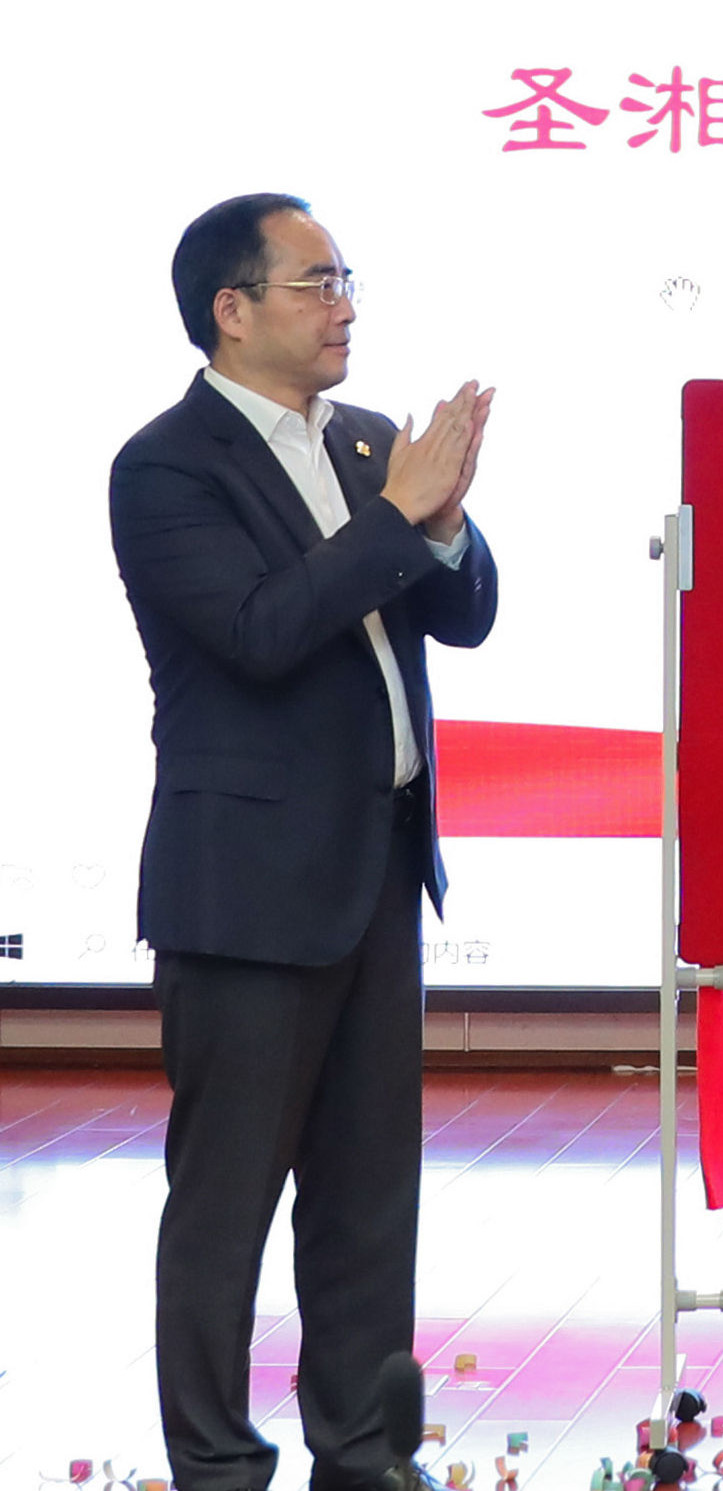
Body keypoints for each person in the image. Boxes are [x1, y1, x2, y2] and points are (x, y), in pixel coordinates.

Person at [112, 193, 499, 1489]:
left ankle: (363, 1445)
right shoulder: (167, 466)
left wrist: (440, 520)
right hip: (246, 887)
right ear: (232, 310)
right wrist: (397, 516)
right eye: (315, 282)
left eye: (346, 280)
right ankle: (217, 1459)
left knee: (368, 1192)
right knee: (226, 1198)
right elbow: (261, 632)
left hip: (377, 867)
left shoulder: (367, 444)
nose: (344, 307)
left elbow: (467, 614)